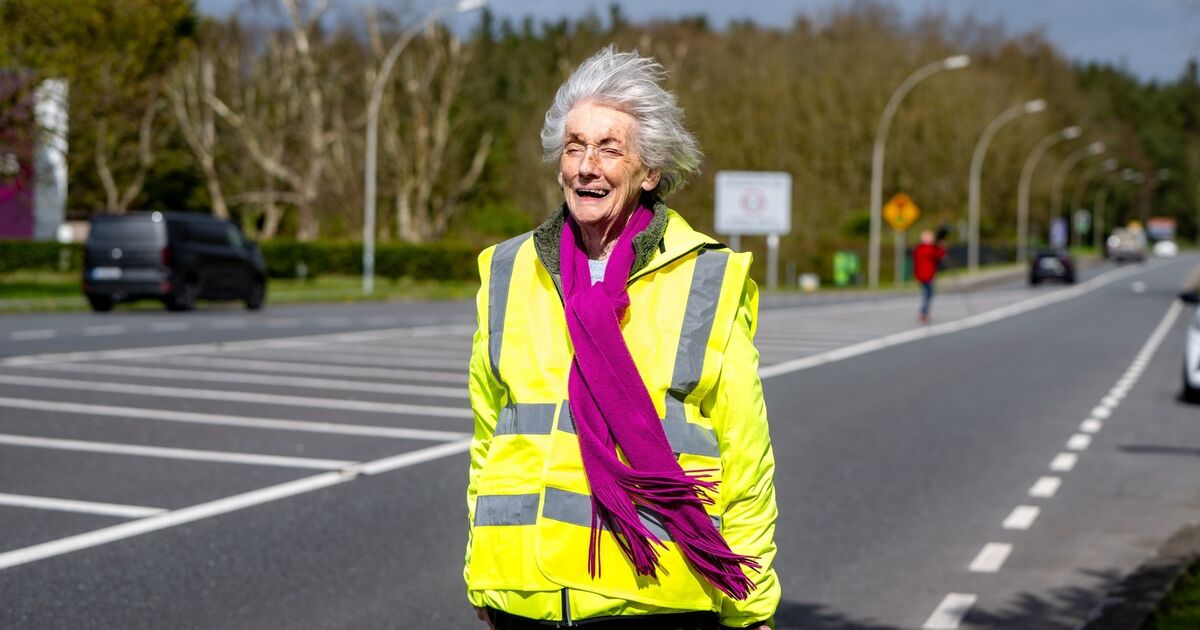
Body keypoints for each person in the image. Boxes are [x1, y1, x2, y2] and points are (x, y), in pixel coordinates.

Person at [464, 46, 780, 630]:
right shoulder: (507, 271)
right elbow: (491, 434)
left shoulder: (704, 277)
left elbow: (746, 455)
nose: (587, 166)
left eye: (610, 149)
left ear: (650, 171)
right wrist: (483, 575)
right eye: (574, 146)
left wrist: (751, 606)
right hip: (521, 597)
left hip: (652, 592)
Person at [912, 229, 946, 323]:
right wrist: (942, 247)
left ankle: (924, 313)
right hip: (927, 275)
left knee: (927, 294)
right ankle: (924, 313)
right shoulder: (929, 249)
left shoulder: (918, 249)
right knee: (928, 294)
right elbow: (939, 255)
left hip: (923, 275)